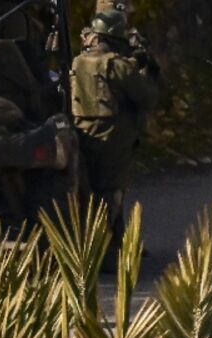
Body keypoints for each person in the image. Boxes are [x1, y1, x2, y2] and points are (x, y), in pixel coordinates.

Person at [70, 9, 158, 262]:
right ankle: (103, 254)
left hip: (83, 135)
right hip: (114, 138)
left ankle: (118, 244)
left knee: (93, 192)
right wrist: (147, 70)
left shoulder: (78, 62)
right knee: (111, 193)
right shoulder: (118, 66)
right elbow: (147, 97)